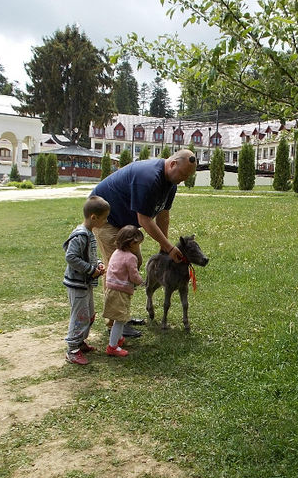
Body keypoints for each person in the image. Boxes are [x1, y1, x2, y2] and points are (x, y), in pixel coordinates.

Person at [91, 149, 198, 337]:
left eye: (187, 176)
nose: (183, 179)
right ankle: (114, 324)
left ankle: (121, 315)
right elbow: (145, 220)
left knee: (134, 262)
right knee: (117, 269)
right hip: (105, 219)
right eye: (182, 174)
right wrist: (169, 247)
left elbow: (163, 215)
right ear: (172, 164)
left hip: (125, 226)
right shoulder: (149, 177)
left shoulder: (171, 184)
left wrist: (163, 249)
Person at [62, 195, 110, 365]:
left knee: (89, 315)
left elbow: (90, 255)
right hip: (77, 284)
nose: (106, 221)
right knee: (80, 316)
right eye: (104, 218)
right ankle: (72, 349)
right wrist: (91, 270)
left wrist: (97, 264)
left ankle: (80, 342)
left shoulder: (89, 233)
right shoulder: (81, 235)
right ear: (94, 217)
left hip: (85, 283)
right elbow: (71, 257)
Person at [103, 226, 145, 357]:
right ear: (132, 243)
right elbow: (134, 276)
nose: (138, 247)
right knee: (120, 319)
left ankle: (118, 338)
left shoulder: (116, 252)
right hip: (120, 292)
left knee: (118, 317)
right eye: (138, 244)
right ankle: (112, 346)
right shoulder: (130, 257)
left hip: (111, 289)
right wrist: (142, 282)